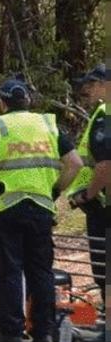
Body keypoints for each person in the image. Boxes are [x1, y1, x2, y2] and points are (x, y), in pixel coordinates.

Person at [0, 76, 82, 342]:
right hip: (41, 208)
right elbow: (74, 163)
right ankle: (44, 335)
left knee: (8, 271)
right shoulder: (48, 124)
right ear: (28, 100)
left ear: (3, 103)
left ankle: (12, 332)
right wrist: (54, 190)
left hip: (5, 208)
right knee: (41, 271)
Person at [65, 64, 109, 298]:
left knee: (105, 270)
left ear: (105, 84)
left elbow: (105, 166)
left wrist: (88, 194)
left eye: (91, 84)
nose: (87, 90)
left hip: (102, 205)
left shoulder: (106, 116)